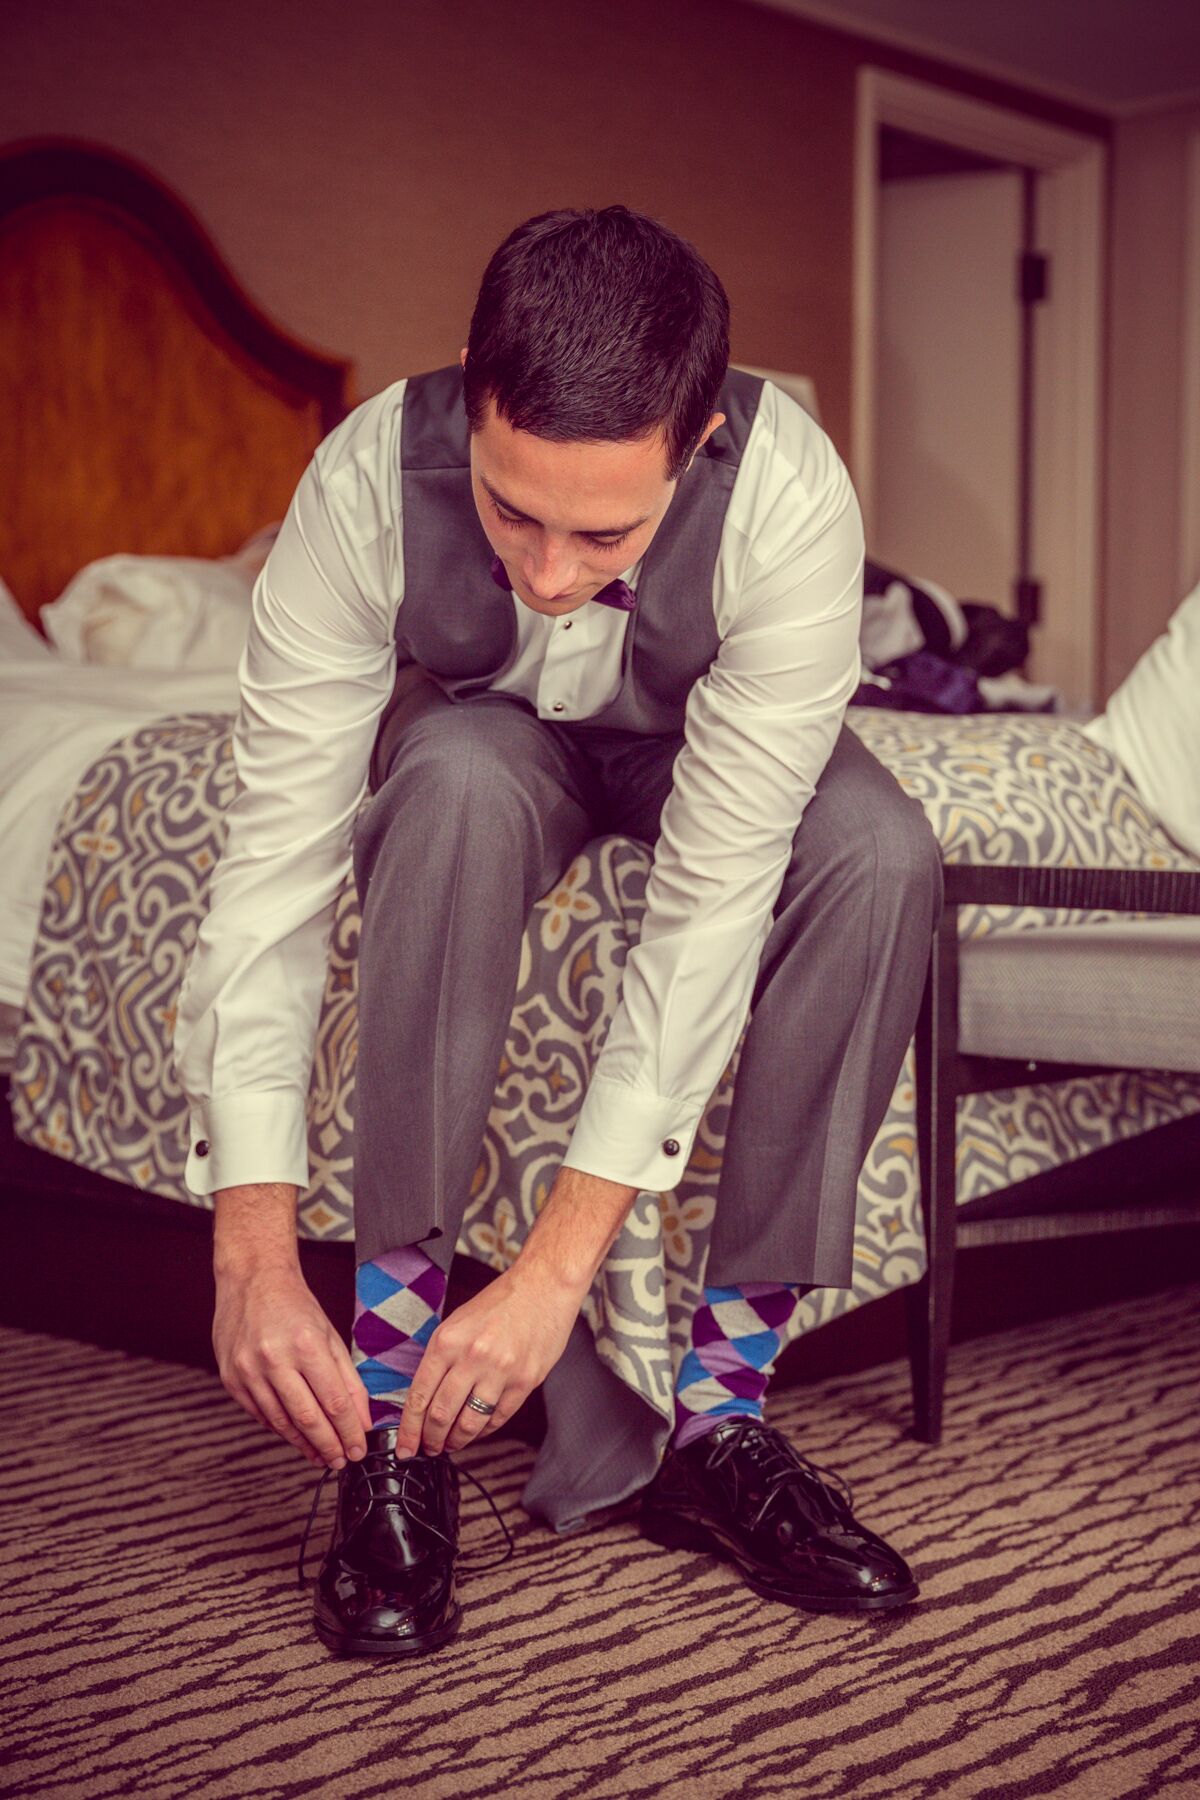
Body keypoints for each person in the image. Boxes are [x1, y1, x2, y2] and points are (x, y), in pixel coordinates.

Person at [172, 205, 943, 1658]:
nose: (542, 572)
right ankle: (392, 1432)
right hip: (488, 739)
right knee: (451, 784)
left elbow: (710, 908)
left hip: (692, 748)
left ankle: (718, 1427)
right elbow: (269, 867)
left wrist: (550, 1275)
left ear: (700, 437)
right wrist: (249, 1252)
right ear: (473, 387)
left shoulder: (788, 499)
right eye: (510, 508)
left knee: (880, 848)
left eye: (604, 531)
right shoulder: (360, 486)